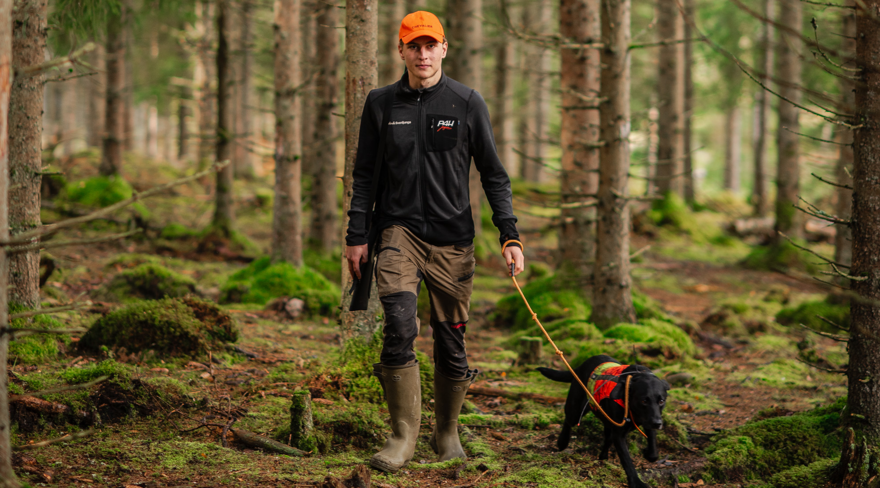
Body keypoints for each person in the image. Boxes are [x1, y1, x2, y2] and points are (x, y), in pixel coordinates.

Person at [344, 10, 525, 473]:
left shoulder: (467, 102)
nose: (422, 54)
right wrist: (356, 236)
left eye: (431, 45)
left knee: (451, 342)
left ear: (444, 48)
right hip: (398, 232)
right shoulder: (381, 104)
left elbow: (493, 174)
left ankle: (447, 433)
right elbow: (364, 176)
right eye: (414, 46)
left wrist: (509, 234)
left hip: (453, 241)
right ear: (400, 50)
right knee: (400, 324)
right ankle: (402, 436)